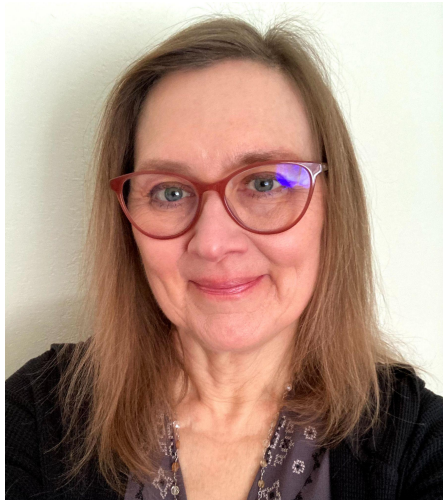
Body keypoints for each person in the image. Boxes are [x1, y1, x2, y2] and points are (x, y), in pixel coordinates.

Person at [5, 16, 442, 500]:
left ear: (333, 206)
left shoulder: (421, 445)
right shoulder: (35, 419)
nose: (213, 243)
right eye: (170, 192)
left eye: (265, 183)